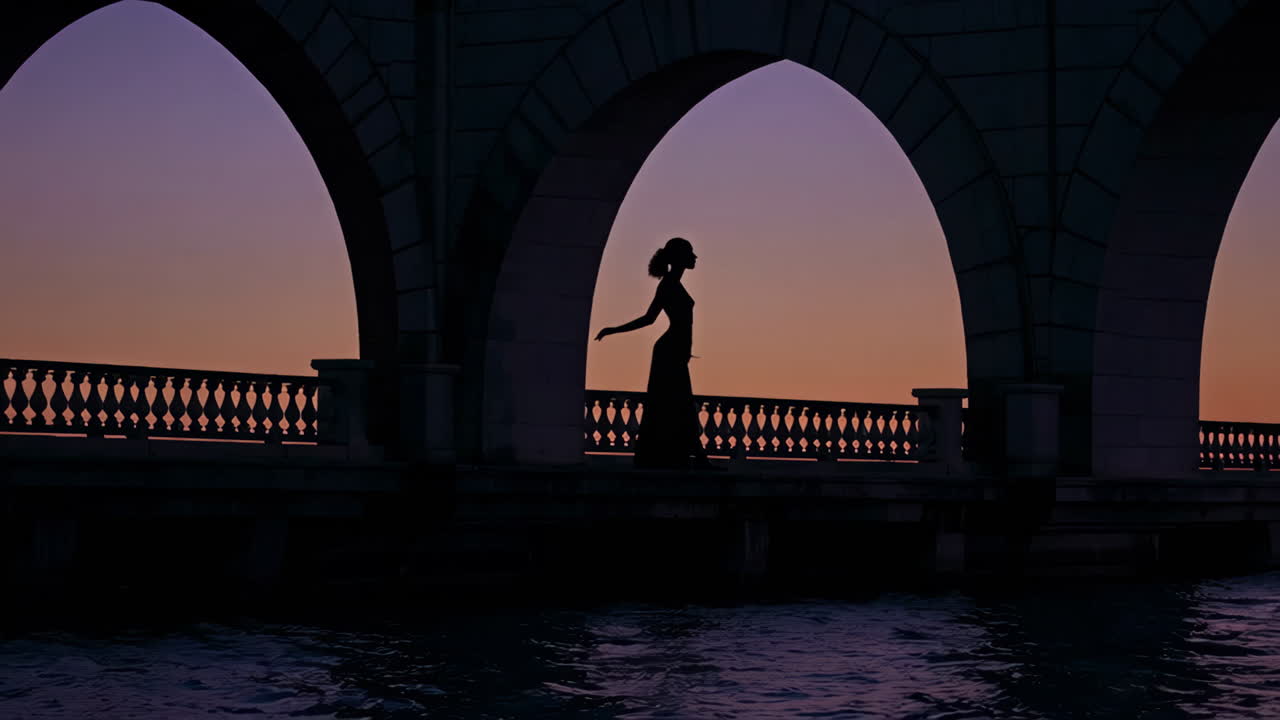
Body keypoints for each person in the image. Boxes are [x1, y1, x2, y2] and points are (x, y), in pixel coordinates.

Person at [595, 237, 715, 469]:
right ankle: (698, 459)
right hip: (669, 352)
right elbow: (649, 319)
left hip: (675, 351)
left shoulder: (673, 283)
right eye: (690, 253)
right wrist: (613, 330)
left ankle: (695, 458)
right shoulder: (668, 284)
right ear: (679, 257)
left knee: (679, 405)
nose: (695, 257)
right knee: (681, 405)